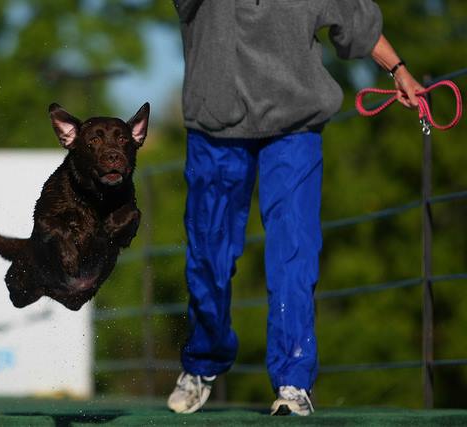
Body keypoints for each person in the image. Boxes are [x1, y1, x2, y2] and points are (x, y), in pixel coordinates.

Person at [167, 0, 424, 416]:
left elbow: (355, 21)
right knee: (208, 259)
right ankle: (203, 359)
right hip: (215, 125)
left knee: (294, 254)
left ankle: (293, 381)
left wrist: (399, 70)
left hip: (294, 129)